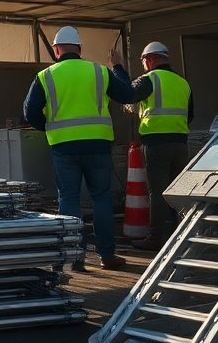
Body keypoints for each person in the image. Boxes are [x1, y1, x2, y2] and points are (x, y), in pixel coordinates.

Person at [23, 26, 135, 271]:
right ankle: (107, 256)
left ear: (56, 50)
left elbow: (30, 112)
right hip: (98, 145)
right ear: (80, 49)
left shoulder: (46, 76)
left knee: (70, 200)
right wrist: (117, 67)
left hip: (64, 147)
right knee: (101, 198)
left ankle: (75, 257)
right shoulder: (99, 72)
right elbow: (128, 95)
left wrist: (50, 127)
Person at [111, 41, 194, 251]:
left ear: (149, 60)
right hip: (180, 143)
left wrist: (118, 68)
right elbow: (190, 115)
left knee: (157, 192)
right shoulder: (182, 82)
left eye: (144, 62)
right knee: (178, 192)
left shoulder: (150, 79)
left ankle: (155, 238)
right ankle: (183, 236)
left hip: (156, 144)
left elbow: (128, 93)